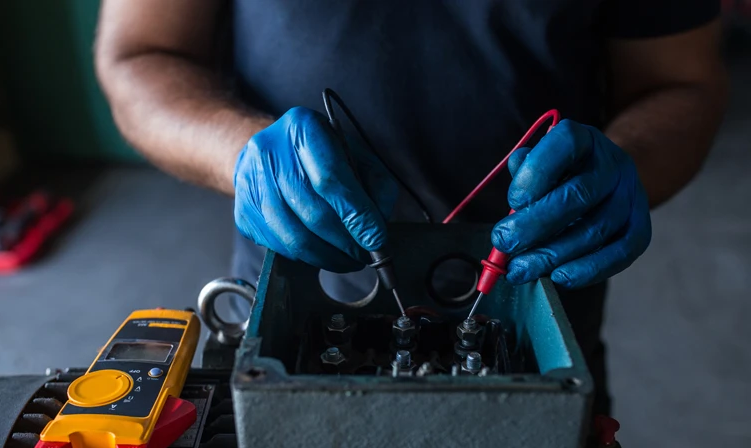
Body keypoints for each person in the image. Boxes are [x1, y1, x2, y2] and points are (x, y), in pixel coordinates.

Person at [95, 0, 726, 413]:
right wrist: (238, 152)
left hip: (542, 311)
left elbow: (682, 83)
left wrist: (630, 164)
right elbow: (138, 55)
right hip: (299, 306)